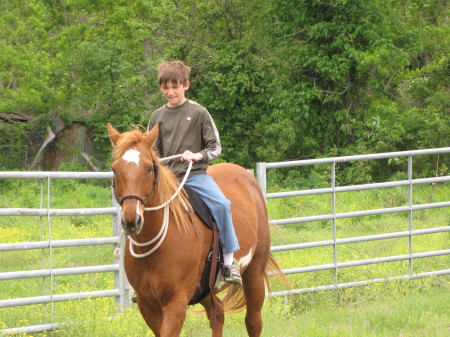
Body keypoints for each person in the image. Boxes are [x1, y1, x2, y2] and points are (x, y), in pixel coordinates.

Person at [147, 60, 242, 285]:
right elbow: (152, 151)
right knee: (140, 209)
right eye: (165, 87)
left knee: (221, 204)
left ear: (186, 85)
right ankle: (142, 274)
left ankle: (229, 263)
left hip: (194, 176)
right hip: (167, 179)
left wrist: (197, 155)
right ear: (160, 87)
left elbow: (215, 147)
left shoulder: (199, 112)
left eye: (175, 87)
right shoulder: (156, 117)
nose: (170, 92)